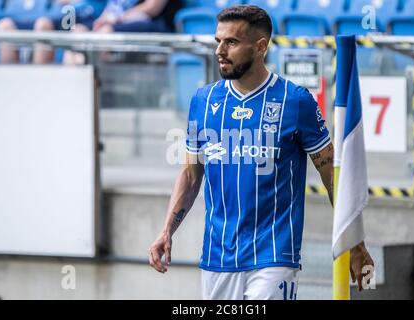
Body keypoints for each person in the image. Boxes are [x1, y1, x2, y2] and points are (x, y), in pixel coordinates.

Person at [148, 5, 374, 300]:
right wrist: (167, 230)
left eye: (231, 42)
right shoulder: (202, 101)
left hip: (274, 257)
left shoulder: (296, 101)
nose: (220, 50)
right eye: (218, 41)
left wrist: (355, 243)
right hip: (217, 258)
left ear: (260, 47)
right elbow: (191, 175)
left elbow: (332, 174)